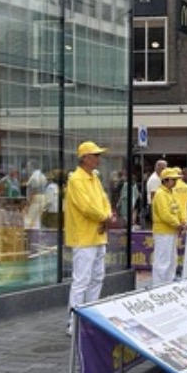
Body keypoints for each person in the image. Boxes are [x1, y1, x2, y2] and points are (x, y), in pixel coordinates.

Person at [64, 141, 114, 335]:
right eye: (95, 155)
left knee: (97, 277)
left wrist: (107, 215)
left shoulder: (94, 177)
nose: (98, 158)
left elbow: (103, 200)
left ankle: (91, 315)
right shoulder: (76, 179)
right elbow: (86, 207)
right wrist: (104, 217)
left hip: (98, 234)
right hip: (84, 236)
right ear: (84, 158)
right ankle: (73, 321)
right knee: (81, 280)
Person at [152, 167, 187, 286]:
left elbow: (177, 209)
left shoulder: (170, 193)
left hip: (171, 231)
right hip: (163, 232)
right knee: (163, 260)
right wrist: (178, 224)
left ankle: (168, 283)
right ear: (165, 180)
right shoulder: (160, 194)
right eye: (173, 179)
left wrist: (183, 221)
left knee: (172, 260)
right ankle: (158, 286)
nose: (175, 182)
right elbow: (165, 214)